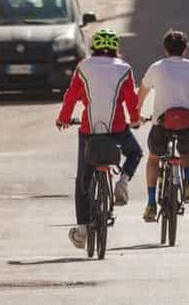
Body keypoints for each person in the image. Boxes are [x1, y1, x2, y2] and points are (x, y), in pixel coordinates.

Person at [56, 28, 143, 249]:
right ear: (116, 50)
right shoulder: (124, 69)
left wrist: (63, 119)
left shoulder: (83, 67)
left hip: (89, 130)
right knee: (135, 153)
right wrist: (135, 120)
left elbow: (71, 96)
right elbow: (131, 100)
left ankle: (83, 229)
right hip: (117, 129)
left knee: (83, 179)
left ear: (93, 48)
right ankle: (122, 183)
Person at [139, 30, 189, 222]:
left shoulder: (157, 67)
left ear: (165, 49)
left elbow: (143, 90)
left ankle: (151, 203)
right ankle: (187, 182)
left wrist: (136, 114)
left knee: (154, 159)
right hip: (187, 123)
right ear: (185, 49)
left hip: (161, 123)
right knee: (186, 152)